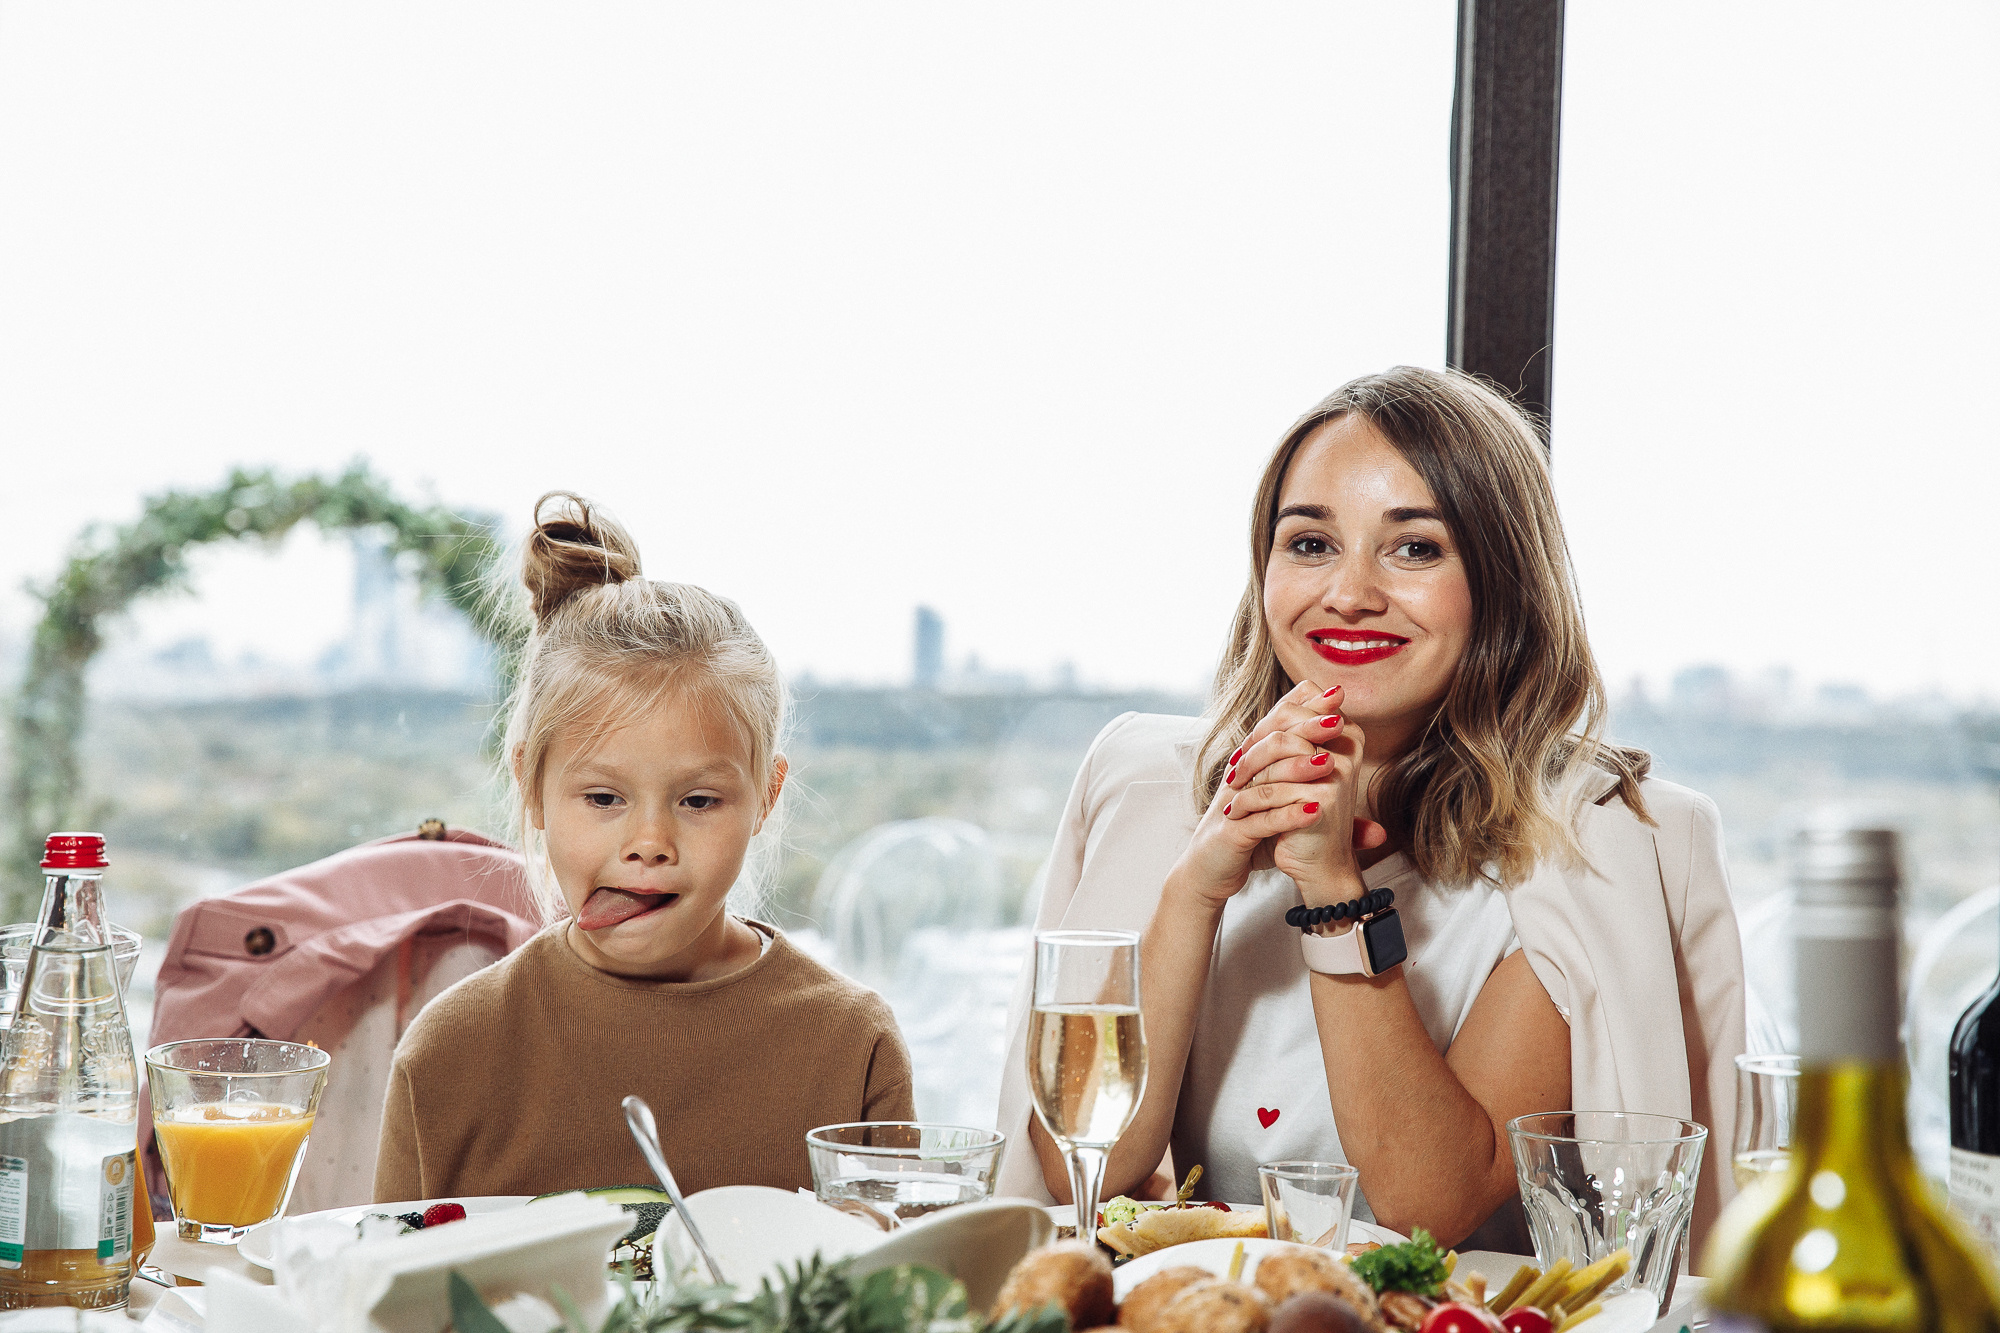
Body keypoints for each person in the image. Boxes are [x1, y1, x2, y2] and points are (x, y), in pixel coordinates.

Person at [994, 366, 1746, 1254]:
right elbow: (1084, 1162)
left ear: (1502, 582)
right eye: (1309, 543)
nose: (1349, 593)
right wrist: (1196, 886)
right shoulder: (1148, 786)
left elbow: (1426, 1202)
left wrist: (1331, 885)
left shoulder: (1590, 845)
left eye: (1415, 548)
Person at [375, 493, 913, 1201]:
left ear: (766, 797)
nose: (650, 843)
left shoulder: (852, 1048)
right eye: (603, 799)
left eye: (697, 801)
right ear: (530, 787)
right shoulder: (450, 1051)